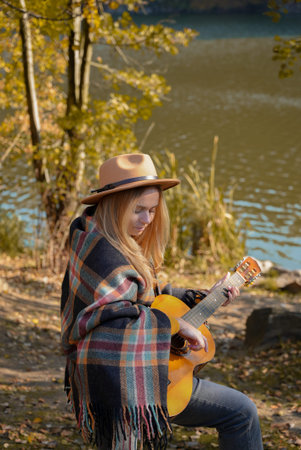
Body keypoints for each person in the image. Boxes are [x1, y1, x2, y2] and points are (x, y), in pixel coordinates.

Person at [61, 153, 263, 450]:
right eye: (138, 210)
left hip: (117, 373)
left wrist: (202, 298)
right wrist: (175, 324)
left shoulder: (99, 237)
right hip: (121, 381)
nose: (147, 219)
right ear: (114, 206)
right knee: (241, 413)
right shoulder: (104, 255)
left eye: (153, 210)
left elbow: (147, 298)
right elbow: (114, 319)